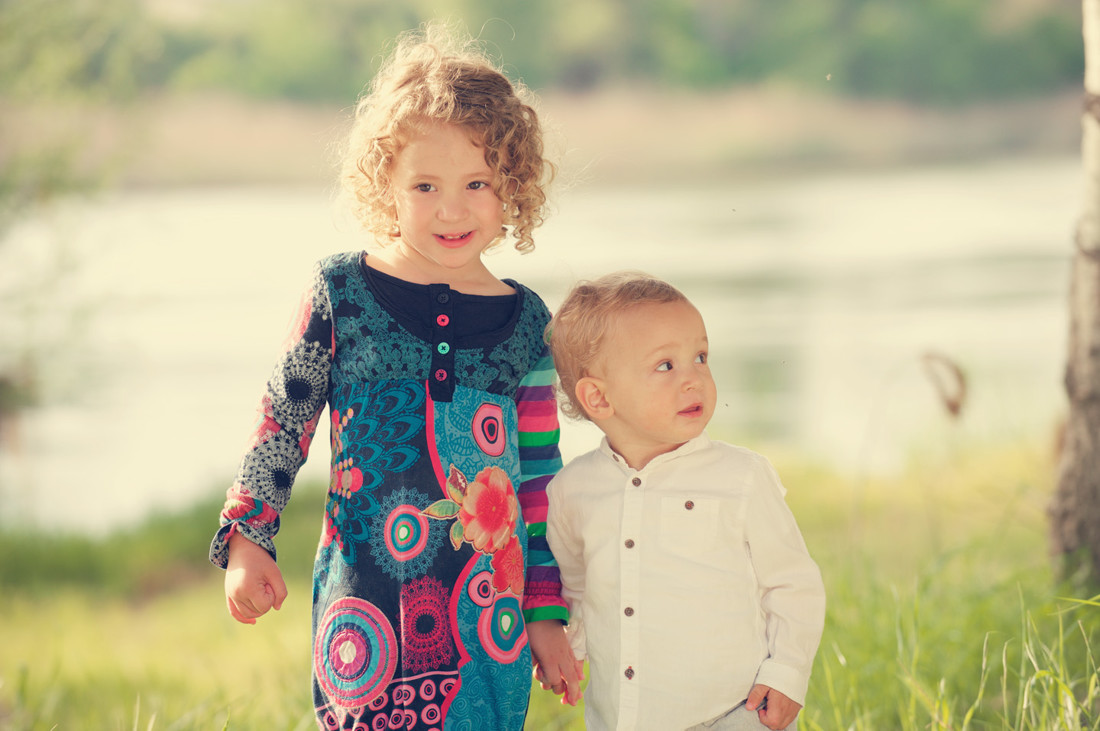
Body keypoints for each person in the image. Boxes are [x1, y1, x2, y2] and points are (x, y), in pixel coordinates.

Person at [209, 24, 582, 730]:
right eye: (425, 185)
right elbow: (282, 422)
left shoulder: (528, 322)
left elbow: (539, 479)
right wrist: (248, 539)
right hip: (365, 607)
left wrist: (545, 611)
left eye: (478, 183)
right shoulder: (340, 294)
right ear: (387, 184)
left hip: (487, 622)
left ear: (513, 185)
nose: (452, 208)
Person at [543, 272, 826, 731]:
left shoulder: (741, 477)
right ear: (598, 396)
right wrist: (568, 648)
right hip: (624, 717)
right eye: (665, 366)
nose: (694, 379)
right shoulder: (572, 491)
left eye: (700, 357)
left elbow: (792, 584)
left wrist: (788, 674)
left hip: (738, 713)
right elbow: (579, 590)